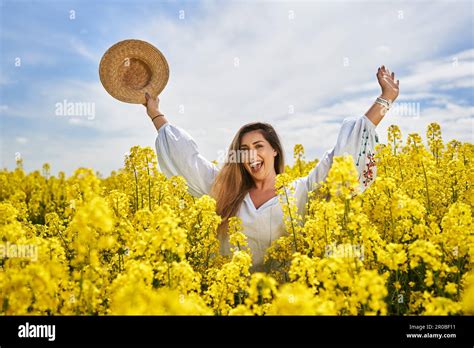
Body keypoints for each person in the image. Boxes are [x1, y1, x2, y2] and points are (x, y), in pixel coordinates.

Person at [145, 65, 400, 272]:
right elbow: (187, 161)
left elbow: (342, 157)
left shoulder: (301, 192)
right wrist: (155, 113)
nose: (252, 156)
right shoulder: (225, 190)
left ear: (274, 150)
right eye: (244, 150)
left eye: (259, 146)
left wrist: (385, 100)